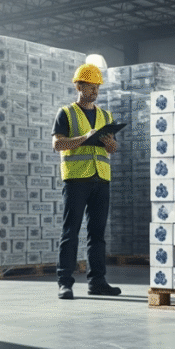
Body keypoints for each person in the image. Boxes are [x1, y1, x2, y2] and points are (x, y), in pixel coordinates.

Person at [52, 63, 122, 299]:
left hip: (101, 179)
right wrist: (83, 138)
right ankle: (65, 283)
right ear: (79, 86)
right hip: (76, 179)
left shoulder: (106, 115)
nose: (95, 91)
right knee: (70, 232)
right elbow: (57, 144)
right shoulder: (66, 113)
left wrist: (112, 146)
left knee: (97, 233)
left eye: (97, 87)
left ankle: (98, 281)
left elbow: (111, 146)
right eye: (90, 87)